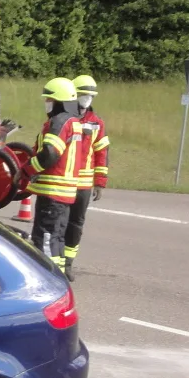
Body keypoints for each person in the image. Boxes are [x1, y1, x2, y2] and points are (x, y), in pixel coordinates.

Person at [20, 78, 83, 273]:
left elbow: (50, 154)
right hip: (63, 194)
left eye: (49, 99)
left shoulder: (59, 122)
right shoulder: (74, 122)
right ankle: (59, 275)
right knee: (56, 240)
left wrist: (27, 170)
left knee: (45, 239)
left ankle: (47, 280)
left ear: (58, 101)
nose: (46, 103)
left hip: (52, 193)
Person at [62, 75, 110, 281]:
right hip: (64, 182)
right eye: (84, 94)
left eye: (90, 95)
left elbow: (102, 152)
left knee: (76, 224)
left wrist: (100, 182)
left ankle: (69, 263)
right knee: (59, 223)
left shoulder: (97, 123)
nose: (87, 98)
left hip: (83, 184)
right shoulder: (63, 119)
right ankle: (56, 263)